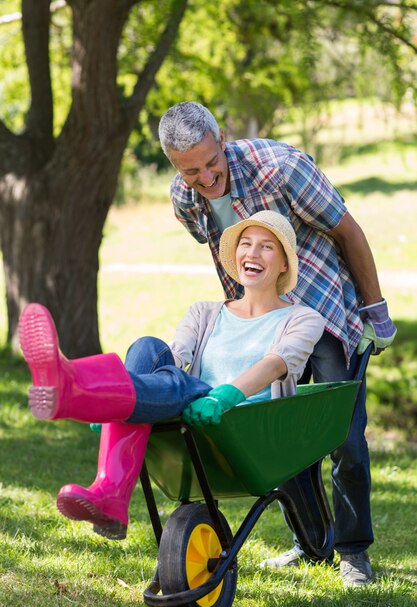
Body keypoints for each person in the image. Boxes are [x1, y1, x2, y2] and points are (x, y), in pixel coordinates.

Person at [158, 101, 397, 587]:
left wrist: (375, 310)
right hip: (263, 320)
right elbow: (225, 255)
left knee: (344, 439)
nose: (205, 178)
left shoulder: (281, 168)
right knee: (276, 432)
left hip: (325, 313)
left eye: (211, 163)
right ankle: (312, 544)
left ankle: (354, 551)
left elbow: (347, 231)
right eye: (190, 171)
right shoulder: (185, 197)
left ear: (222, 138)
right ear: (172, 164)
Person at [18, 211, 324, 542]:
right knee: (147, 348)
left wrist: (226, 395)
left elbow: (277, 362)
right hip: (189, 405)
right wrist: (131, 390)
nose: (252, 253)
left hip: (241, 420)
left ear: (283, 264)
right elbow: (176, 358)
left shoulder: (303, 318)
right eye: (245, 244)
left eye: (266, 247)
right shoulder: (205, 312)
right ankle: (108, 482)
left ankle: (83, 393)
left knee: (178, 385)